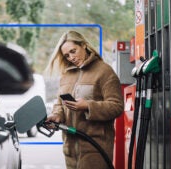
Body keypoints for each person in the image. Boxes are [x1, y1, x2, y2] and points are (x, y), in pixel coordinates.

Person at [45, 30, 124, 169]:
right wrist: (57, 115)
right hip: (70, 150)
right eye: (67, 55)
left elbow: (116, 106)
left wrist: (88, 106)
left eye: (73, 51)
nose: (71, 57)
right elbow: (59, 103)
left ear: (84, 45)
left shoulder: (104, 71)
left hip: (95, 150)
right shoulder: (66, 75)